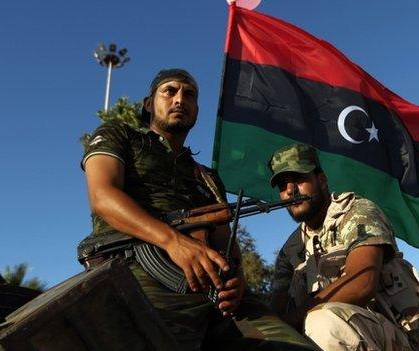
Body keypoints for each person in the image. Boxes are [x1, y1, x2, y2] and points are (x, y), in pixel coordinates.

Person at [81, 69, 316, 351]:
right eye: (170, 91)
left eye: (189, 94)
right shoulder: (121, 136)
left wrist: (236, 281)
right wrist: (173, 241)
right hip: (138, 275)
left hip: (213, 293)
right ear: (148, 103)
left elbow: (224, 243)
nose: (180, 99)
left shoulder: (206, 177)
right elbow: (102, 195)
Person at [268, 143, 419, 351]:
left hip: (390, 339)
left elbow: (363, 281)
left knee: (322, 323)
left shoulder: (357, 212)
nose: (290, 190)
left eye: (298, 179)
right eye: (282, 185)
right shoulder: (291, 249)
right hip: (321, 339)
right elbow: (276, 311)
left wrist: (296, 319)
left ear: (321, 180)